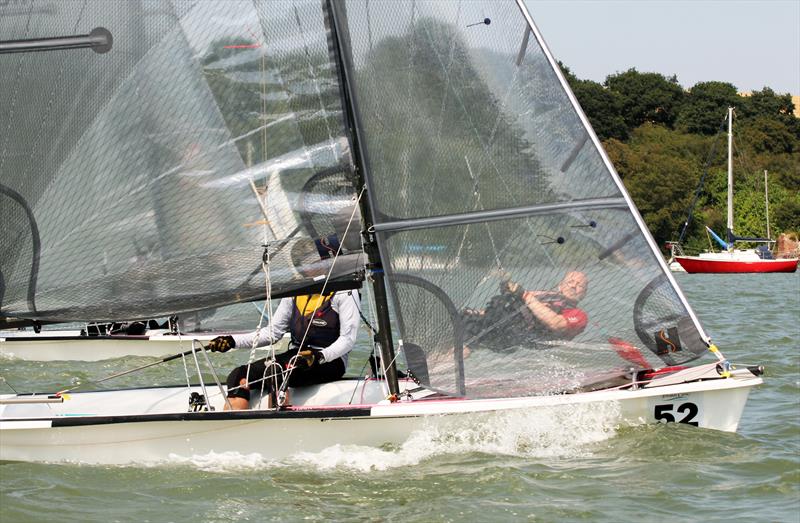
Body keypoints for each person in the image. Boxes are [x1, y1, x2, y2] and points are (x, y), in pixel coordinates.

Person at [207, 290, 360, 410]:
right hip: (296, 355)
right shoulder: (296, 293)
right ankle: (234, 428)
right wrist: (232, 341)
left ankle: (277, 424)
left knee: (275, 372)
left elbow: (348, 339)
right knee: (238, 376)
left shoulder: (344, 292)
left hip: (330, 360)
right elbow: (273, 333)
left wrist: (319, 356)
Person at [461, 271, 589, 351]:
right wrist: (476, 313)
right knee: (464, 319)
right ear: (560, 286)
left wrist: (524, 294)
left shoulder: (579, 315)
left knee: (471, 337)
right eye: (570, 282)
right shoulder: (544, 295)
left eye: (579, 285)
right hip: (505, 324)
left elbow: (556, 324)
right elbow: (515, 305)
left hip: (522, 336)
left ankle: (451, 368)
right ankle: (444, 366)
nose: (573, 286)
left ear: (584, 294)